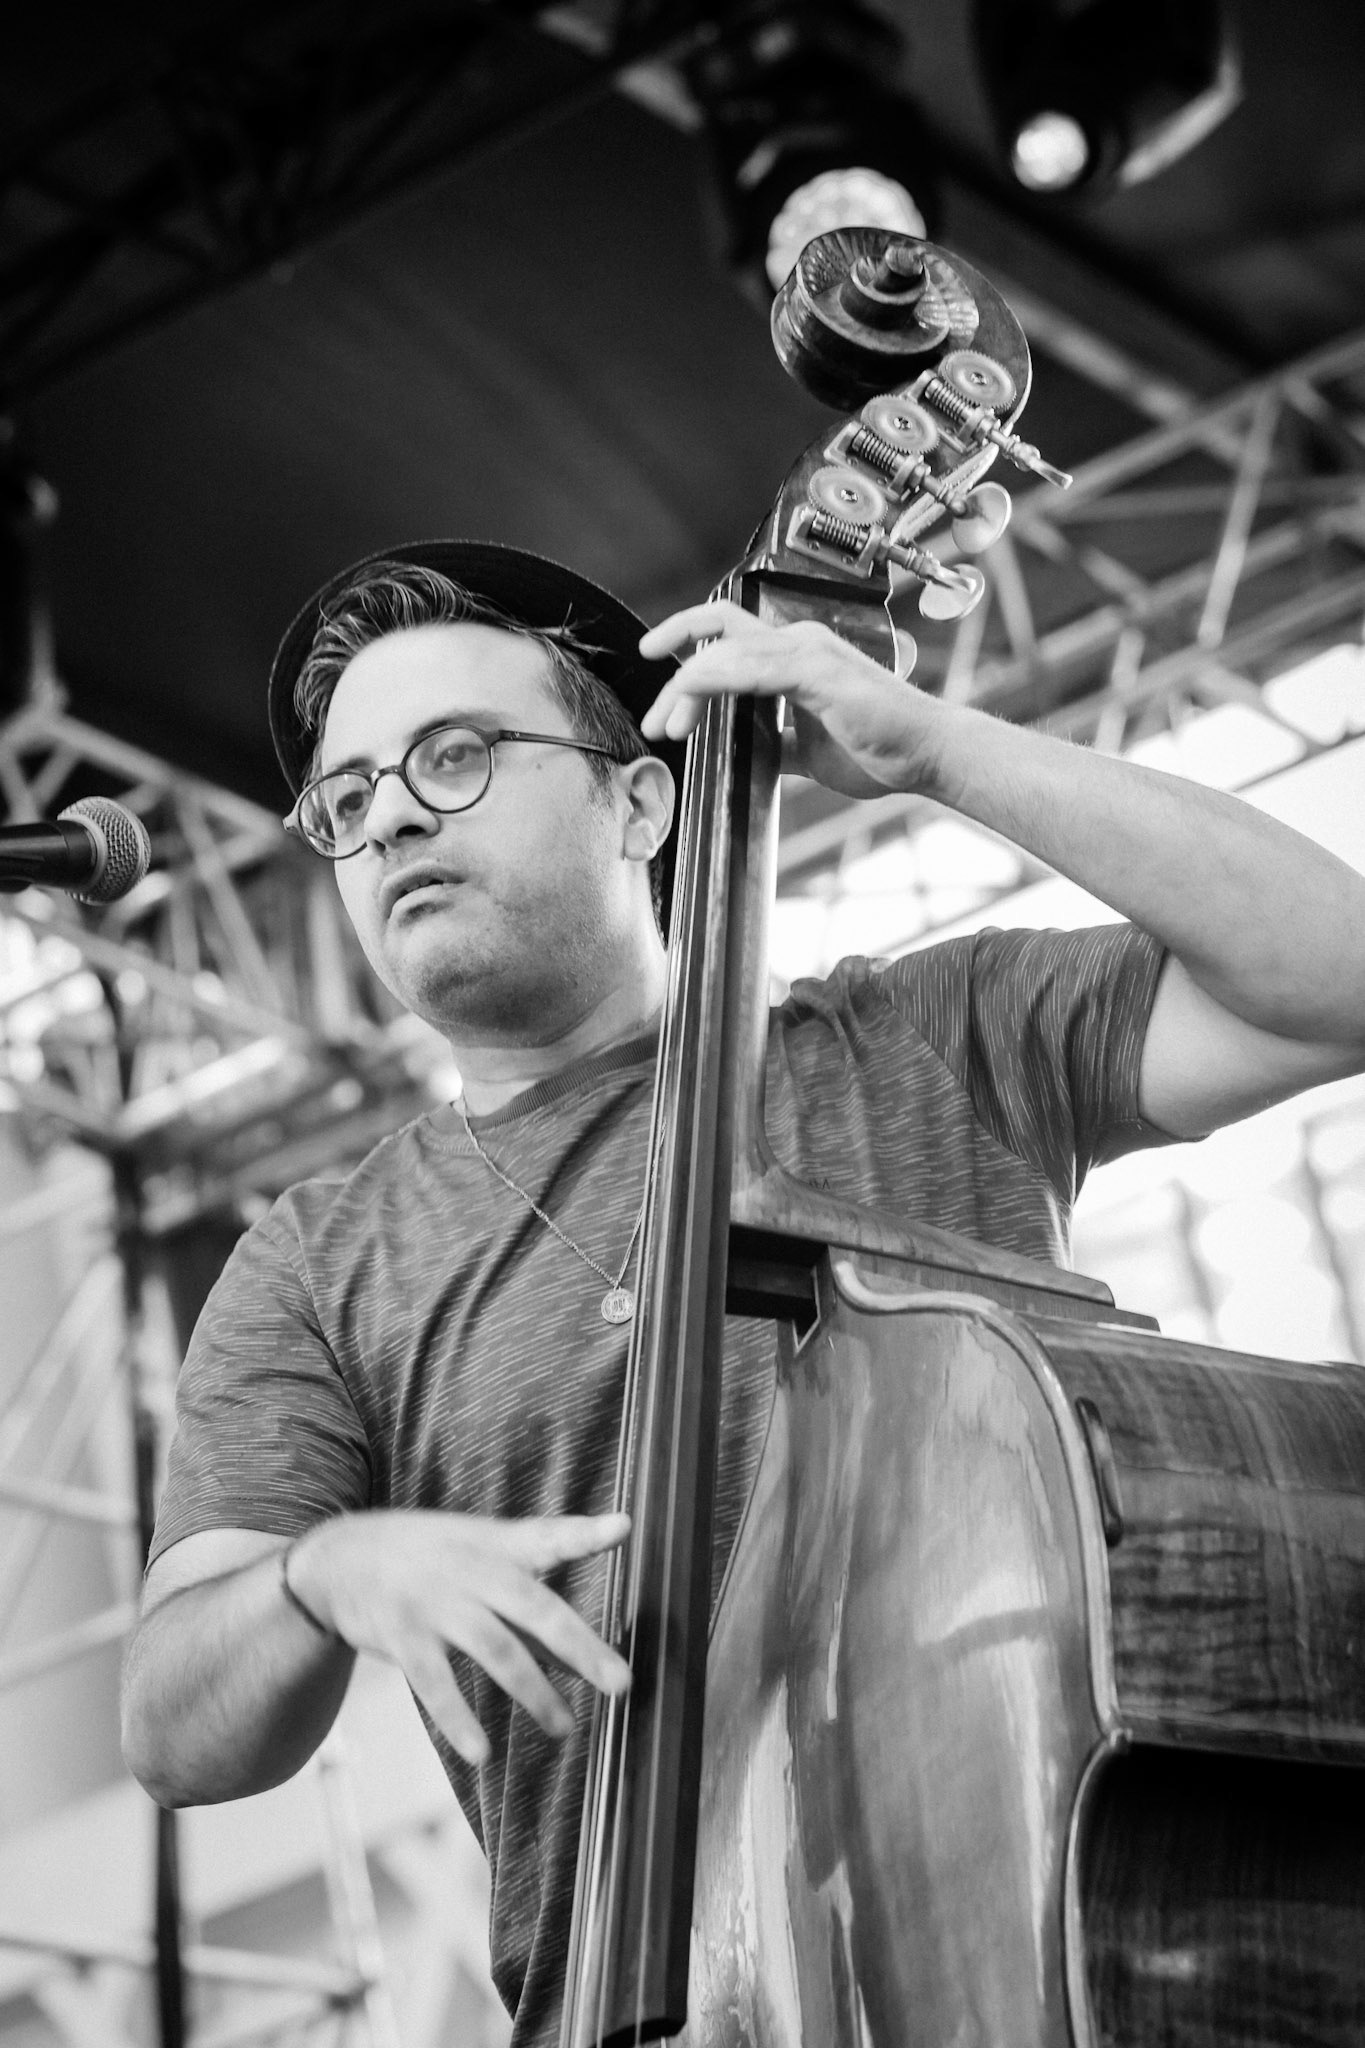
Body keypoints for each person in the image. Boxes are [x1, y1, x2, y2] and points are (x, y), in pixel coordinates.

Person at [121, 538, 1365, 2048]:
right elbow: (175, 1726)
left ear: (638, 796)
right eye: (349, 794)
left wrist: (932, 753)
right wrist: (325, 1573)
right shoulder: (320, 1256)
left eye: (452, 756)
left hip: (1024, 1981)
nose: (388, 817)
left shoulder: (925, 1036)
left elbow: (1339, 974)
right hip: (619, 2011)